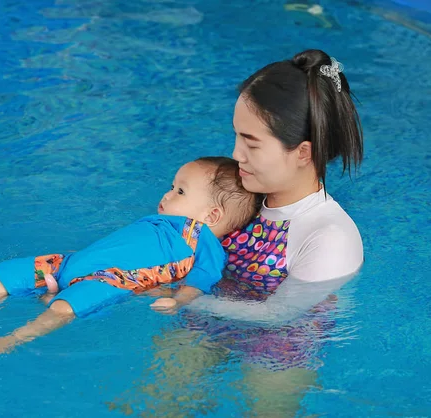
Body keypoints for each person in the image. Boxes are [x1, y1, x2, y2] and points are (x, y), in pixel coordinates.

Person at [113, 49, 364, 418]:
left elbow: (280, 314)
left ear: (303, 152)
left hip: (281, 345)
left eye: (251, 142)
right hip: (205, 318)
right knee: (154, 407)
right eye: (236, 136)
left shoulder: (329, 236)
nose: (235, 154)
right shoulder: (237, 197)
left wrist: (176, 296)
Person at [0, 157, 258, 354]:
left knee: (67, 305)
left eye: (180, 191)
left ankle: (12, 339)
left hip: (112, 278)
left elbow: (204, 277)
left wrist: (180, 300)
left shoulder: (203, 241)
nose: (167, 195)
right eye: (172, 186)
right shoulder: (159, 222)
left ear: (212, 217)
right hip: (71, 262)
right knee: (7, 273)